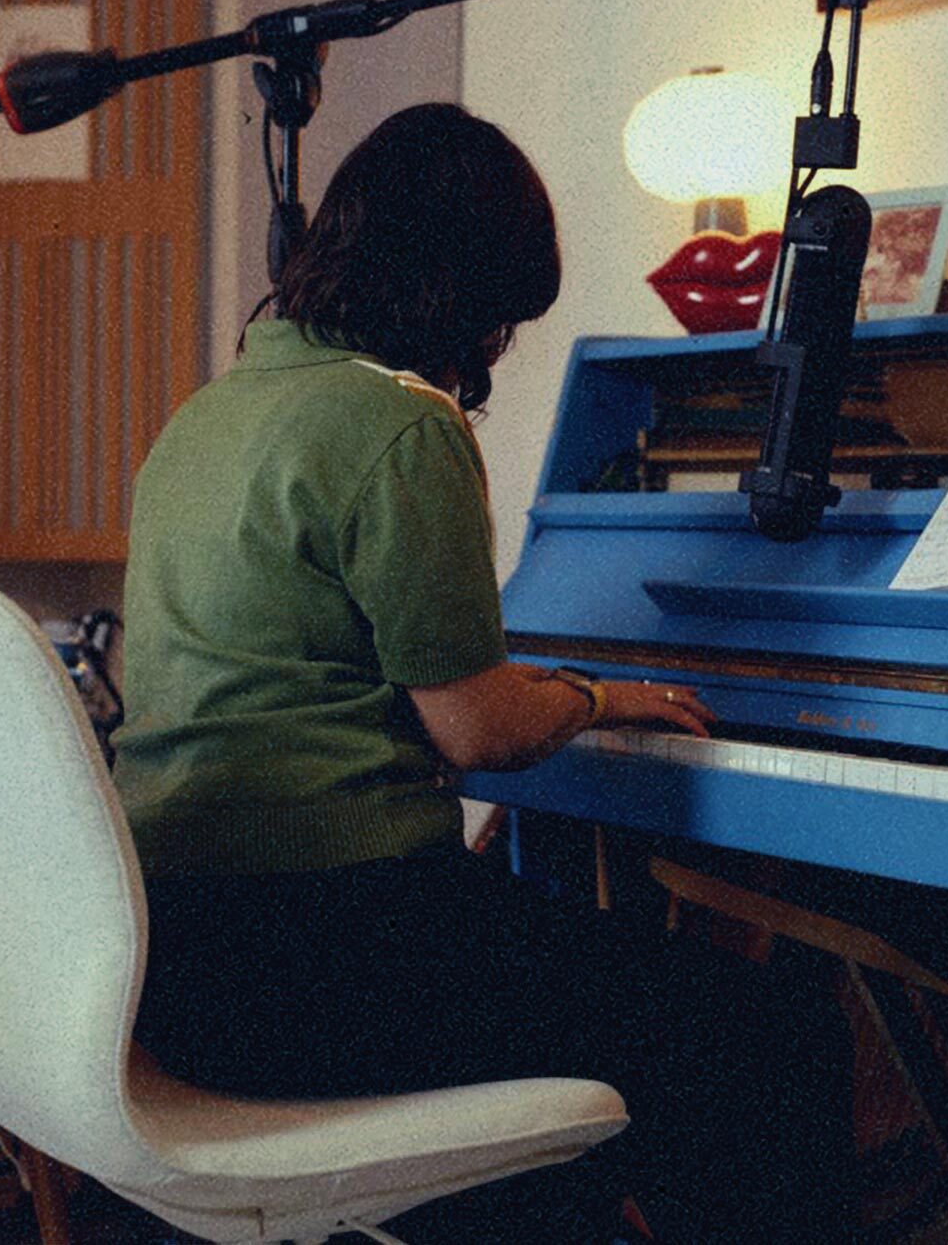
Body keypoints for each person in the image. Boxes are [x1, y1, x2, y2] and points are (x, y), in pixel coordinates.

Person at [112, 102, 849, 1243]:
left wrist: (535, 687)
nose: (492, 350)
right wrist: (601, 698)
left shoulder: (208, 417)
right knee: (760, 1024)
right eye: (499, 317)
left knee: (593, 985)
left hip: (180, 956)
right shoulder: (399, 425)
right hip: (330, 958)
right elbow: (477, 733)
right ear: (459, 290)